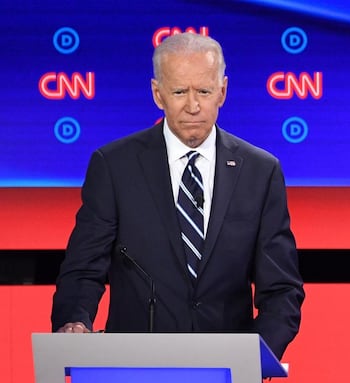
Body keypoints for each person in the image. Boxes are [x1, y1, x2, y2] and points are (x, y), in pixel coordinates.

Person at [51, 32, 304, 360]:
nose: (193, 105)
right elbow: (85, 267)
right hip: (134, 371)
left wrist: (255, 356)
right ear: (158, 94)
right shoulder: (115, 166)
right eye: (180, 92)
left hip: (227, 378)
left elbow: (282, 289)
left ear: (222, 91)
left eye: (204, 91)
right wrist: (75, 320)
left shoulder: (260, 171)